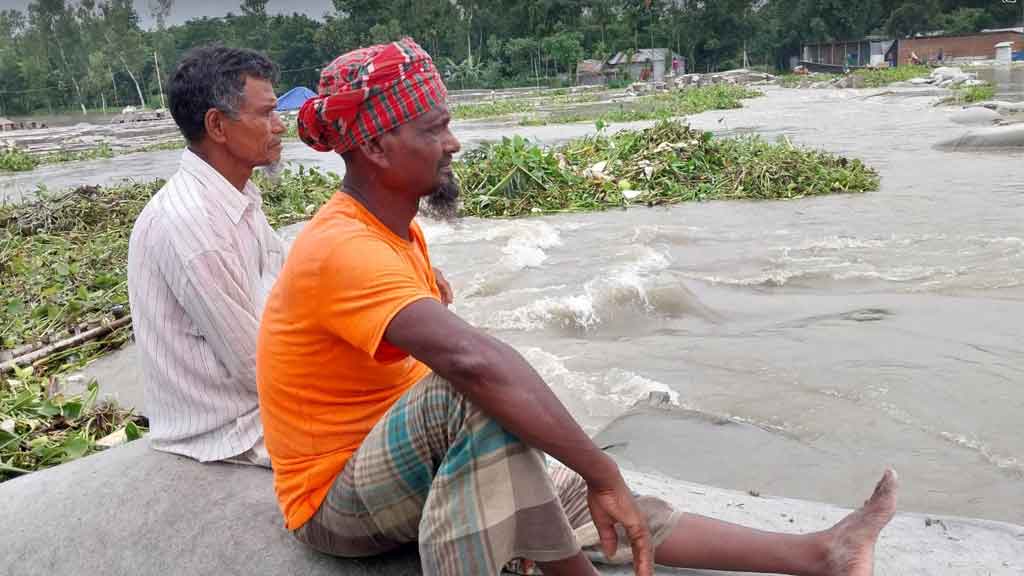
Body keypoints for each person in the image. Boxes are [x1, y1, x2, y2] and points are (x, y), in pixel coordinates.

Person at [257, 37, 899, 576]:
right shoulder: (340, 246)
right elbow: (472, 364)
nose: (453, 143)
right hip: (333, 500)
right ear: (374, 147)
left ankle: (822, 553)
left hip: (398, 465)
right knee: (479, 391)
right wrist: (601, 470)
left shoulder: (397, 233)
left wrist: (590, 480)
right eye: (435, 128)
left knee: (560, 477)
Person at [126, 45, 287, 467]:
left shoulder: (237, 197)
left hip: (254, 407)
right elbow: (258, 366)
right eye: (266, 114)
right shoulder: (191, 223)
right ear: (217, 125)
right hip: (232, 428)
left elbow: (289, 288)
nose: (280, 125)